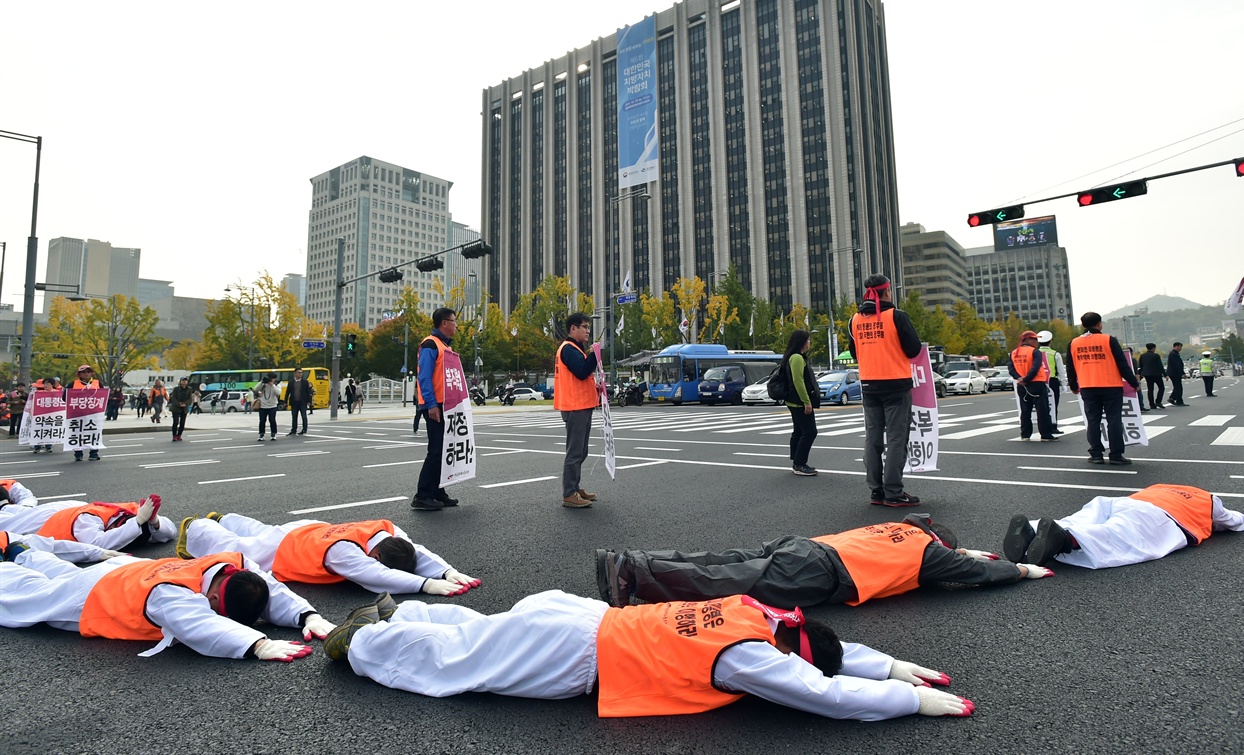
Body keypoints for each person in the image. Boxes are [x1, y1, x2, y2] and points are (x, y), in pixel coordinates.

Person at [325, 589, 975, 720]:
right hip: (579, 653)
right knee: (462, 667)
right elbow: (826, 691)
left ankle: (405, 612)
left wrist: (889, 663)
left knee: (483, 630)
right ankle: (361, 640)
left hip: (581, 613)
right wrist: (912, 697)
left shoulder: (758, 612)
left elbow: (829, 651)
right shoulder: (750, 655)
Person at [593, 513, 1051, 610]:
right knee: (725, 582)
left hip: (803, 545)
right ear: (940, 545)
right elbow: (975, 572)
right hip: (818, 573)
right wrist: (1025, 569)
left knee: (720, 559)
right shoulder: (928, 555)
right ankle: (633, 574)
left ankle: (631, 559)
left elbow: (964, 557)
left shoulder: (902, 530)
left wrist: (965, 548)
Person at [0, 549, 332, 661]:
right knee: (26, 602)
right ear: (214, 599)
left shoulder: (232, 563)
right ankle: (9, 563)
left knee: (58, 576)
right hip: (93, 595)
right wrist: (257, 644)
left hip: (126, 572)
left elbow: (267, 587)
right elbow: (199, 627)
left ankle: (24, 552)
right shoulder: (172, 596)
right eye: (215, 608)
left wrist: (307, 614)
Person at [176, 512, 481, 595]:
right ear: (374, 557)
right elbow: (376, 576)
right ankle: (197, 528)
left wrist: (447, 571)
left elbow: (417, 551)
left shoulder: (386, 529)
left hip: (309, 528)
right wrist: (425, 584)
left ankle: (223, 518)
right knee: (238, 548)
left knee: (259, 528)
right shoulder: (344, 554)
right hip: (286, 549)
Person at [1005, 483, 1244, 569]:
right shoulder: (1205, 497)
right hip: (1159, 516)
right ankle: (1064, 540)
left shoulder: (1160, 486)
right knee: (1117, 535)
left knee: (1082, 517)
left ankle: (1034, 529)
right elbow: (1229, 520)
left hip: (1123, 501)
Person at [849, 274, 923, 507]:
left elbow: (854, 353)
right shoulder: (897, 317)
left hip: (869, 385)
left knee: (873, 439)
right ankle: (894, 490)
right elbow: (913, 349)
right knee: (896, 438)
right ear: (887, 292)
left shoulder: (855, 320)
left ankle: (876, 490)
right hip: (896, 384)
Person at [1066, 312, 1140, 466]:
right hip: (1111, 386)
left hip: (1087, 386)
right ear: (1099, 324)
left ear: (1082, 325)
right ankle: (1116, 455)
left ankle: (1096, 454)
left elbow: (1070, 368)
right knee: (1114, 420)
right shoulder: (1109, 340)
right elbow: (1122, 364)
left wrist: (1073, 385)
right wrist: (1134, 382)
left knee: (1093, 421)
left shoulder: (1074, 343)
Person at [411, 308, 464, 511]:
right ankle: (422, 494)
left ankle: (437, 491)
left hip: (447, 405)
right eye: (454, 321)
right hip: (436, 406)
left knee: (444, 450)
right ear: (444, 323)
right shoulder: (430, 344)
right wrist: (431, 405)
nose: (456, 325)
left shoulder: (444, 346)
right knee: (435, 451)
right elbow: (424, 377)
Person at [553, 312, 600, 509]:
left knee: (581, 451)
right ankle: (569, 493)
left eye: (589, 327)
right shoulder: (569, 349)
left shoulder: (574, 349)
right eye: (584, 327)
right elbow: (581, 372)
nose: (588, 331)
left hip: (581, 405)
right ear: (573, 329)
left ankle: (575, 487)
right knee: (575, 452)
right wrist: (596, 355)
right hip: (575, 406)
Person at [36, 495, 177, 550]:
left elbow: (171, 532)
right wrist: (138, 521)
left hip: (71, 512)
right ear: (114, 526)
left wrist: (154, 521)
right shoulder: (87, 519)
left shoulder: (134, 513)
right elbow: (98, 544)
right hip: (42, 525)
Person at [780, 329, 821, 476]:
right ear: (802, 342)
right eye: (808, 340)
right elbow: (798, 381)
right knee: (810, 432)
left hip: (793, 401)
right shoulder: (797, 358)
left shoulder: (793, 356)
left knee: (799, 431)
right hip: (798, 402)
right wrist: (806, 401)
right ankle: (800, 463)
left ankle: (797, 461)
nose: (809, 343)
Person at [1009, 331, 1056, 442]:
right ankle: (1046, 434)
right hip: (1036, 383)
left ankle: (1025, 434)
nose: (1036, 341)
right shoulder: (1035, 352)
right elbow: (1035, 368)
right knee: (1042, 410)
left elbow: (1011, 369)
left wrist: (1020, 378)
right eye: (1034, 339)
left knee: (1025, 410)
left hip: (1022, 385)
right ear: (1026, 340)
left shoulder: (1014, 352)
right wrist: (1026, 379)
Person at [68, 365, 104, 461]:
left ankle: (94, 453)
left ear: (91, 373)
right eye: (84, 372)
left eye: (88, 372)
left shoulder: (98, 383)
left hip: (94, 414)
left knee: (93, 433)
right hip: (77, 414)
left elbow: (104, 397)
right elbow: (65, 398)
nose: (86, 374)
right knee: (77, 433)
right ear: (79, 374)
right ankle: (78, 453)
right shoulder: (72, 384)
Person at [1036, 330, 1067, 434]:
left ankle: (1043, 428)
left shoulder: (1035, 353)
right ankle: (1053, 426)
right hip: (1052, 381)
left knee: (1041, 406)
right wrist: (1063, 384)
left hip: (1038, 381)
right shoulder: (1055, 354)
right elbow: (1061, 370)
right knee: (1053, 404)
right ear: (1050, 342)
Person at [284, 368, 313, 436]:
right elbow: (288, 392)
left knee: (304, 416)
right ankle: (293, 430)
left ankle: (304, 429)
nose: (300, 374)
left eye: (301, 373)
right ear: (295, 373)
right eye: (299, 372)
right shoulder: (291, 382)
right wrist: (285, 401)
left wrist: (309, 401)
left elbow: (308, 392)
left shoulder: (305, 382)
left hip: (302, 402)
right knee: (294, 416)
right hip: (294, 402)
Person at [1137, 343, 1166, 409]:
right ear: (1153, 348)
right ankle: (1158, 401)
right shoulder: (1156, 356)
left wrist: (1140, 375)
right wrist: (1165, 374)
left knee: (1150, 389)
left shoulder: (1142, 356)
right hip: (1156, 374)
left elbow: (1140, 366)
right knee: (1161, 388)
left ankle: (1152, 404)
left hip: (1147, 375)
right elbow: (1160, 366)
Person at [255, 372, 281, 442]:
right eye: (271, 378)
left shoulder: (276, 385)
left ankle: (273, 433)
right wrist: (261, 382)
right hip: (263, 406)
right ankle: (261, 434)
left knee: (272, 420)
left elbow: (278, 393)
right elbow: (256, 389)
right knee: (262, 421)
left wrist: (272, 385)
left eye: (273, 379)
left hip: (273, 406)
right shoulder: (263, 385)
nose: (272, 380)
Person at [168, 376, 193, 442]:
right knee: (176, 422)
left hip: (184, 407)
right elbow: (173, 398)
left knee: (182, 422)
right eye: (183, 381)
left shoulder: (189, 389)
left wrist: (185, 403)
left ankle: (179, 435)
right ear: (180, 382)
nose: (184, 382)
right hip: (176, 407)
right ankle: (174, 435)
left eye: (185, 381)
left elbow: (190, 398)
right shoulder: (176, 389)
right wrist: (179, 404)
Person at [1167, 342, 1187, 406]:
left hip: (1174, 372)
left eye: (1180, 347)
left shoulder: (1175, 354)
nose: (1179, 348)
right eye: (1178, 347)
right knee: (1178, 387)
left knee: (1177, 387)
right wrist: (1182, 373)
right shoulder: (1173, 354)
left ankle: (1172, 398)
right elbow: (1177, 365)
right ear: (1174, 347)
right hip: (1174, 373)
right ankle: (1179, 401)